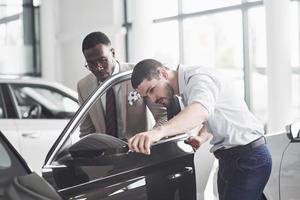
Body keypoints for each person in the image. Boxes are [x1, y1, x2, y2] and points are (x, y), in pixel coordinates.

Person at [128, 59, 272, 200]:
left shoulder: (198, 79)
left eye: (152, 89)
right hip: (230, 159)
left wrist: (157, 132)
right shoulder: (187, 87)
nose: (153, 99)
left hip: (248, 159)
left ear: (164, 74)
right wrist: (201, 137)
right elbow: (215, 114)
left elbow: (200, 111)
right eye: (148, 96)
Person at [77, 32, 166, 138]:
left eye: (103, 60)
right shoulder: (83, 86)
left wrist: (151, 137)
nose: (98, 68)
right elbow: (87, 133)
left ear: (113, 53)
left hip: (141, 151)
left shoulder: (136, 73)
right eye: (91, 63)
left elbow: (163, 116)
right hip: (106, 152)